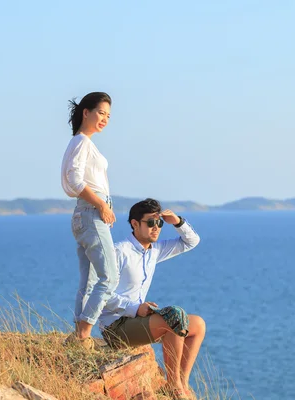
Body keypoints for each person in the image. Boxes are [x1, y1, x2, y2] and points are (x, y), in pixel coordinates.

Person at [99, 198, 205, 400]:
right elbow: (102, 294)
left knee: (198, 325)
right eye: (150, 223)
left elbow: (192, 241)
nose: (156, 228)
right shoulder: (119, 252)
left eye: (159, 223)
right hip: (115, 327)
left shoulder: (154, 250)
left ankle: (181, 383)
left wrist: (177, 222)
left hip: (136, 321)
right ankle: (174, 388)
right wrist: (134, 308)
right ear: (134, 224)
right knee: (175, 317)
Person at [61, 92, 117, 350]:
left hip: (86, 214)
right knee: (110, 277)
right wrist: (101, 205)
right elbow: (74, 181)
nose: (105, 119)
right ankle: (83, 333)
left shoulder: (82, 142)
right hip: (90, 213)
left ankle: (78, 335)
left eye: (108, 115)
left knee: (91, 279)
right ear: (86, 112)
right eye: (101, 112)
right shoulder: (82, 142)